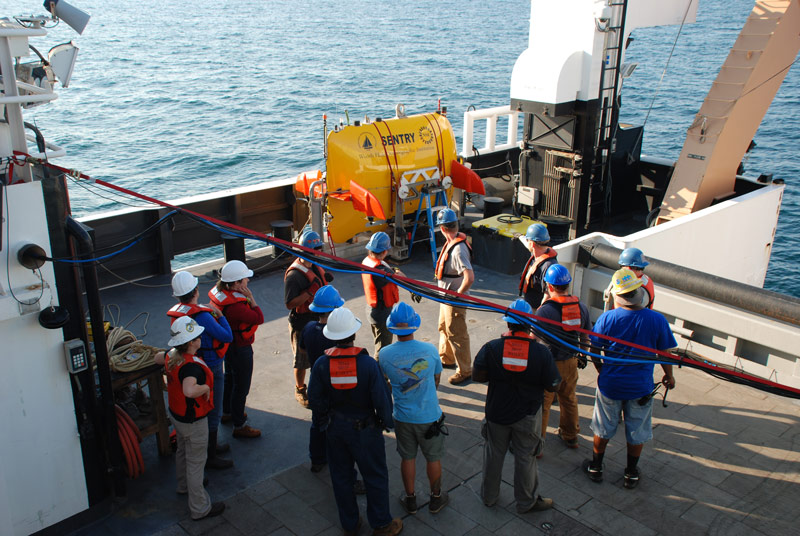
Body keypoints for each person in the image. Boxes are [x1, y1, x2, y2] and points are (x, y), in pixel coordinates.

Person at [308, 307, 402, 536]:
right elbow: (381, 399)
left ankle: (350, 524)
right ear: (353, 334)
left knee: (341, 478)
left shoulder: (321, 364)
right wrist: (386, 422)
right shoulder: (368, 365)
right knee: (375, 476)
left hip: (335, 429)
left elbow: (314, 399)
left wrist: (325, 420)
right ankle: (381, 524)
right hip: (365, 429)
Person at [584, 268, 677, 489]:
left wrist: (602, 371)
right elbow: (665, 353)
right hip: (641, 387)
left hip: (610, 385)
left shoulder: (607, 319)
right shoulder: (657, 320)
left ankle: (596, 467)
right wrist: (669, 376)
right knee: (637, 431)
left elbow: (594, 351)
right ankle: (631, 473)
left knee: (603, 427)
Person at [473, 299, 560, 514]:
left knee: (493, 455)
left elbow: (477, 375)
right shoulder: (542, 353)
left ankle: (489, 497)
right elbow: (552, 385)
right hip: (527, 416)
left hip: (496, 414)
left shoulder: (492, 348)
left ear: (508, 323)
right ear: (529, 323)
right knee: (525, 459)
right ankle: (526, 502)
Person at [379, 302, 449, 515]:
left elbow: (385, 382)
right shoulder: (429, 350)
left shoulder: (384, 354)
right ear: (414, 325)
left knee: (407, 458)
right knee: (433, 458)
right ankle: (436, 498)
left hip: (403, 416)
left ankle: (410, 499)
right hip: (429, 417)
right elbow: (436, 379)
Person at [154, 317, 225, 520]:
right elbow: (189, 390)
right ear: (192, 342)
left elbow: (158, 358)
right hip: (193, 421)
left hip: (177, 416)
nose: (200, 339)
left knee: (183, 452)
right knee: (196, 463)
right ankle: (200, 508)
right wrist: (205, 388)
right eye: (197, 337)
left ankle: (183, 485)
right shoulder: (192, 367)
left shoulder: (172, 355)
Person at [168, 271, 234, 469]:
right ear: (196, 290)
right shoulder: (203, 316)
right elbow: (226, 336)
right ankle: (210, 455)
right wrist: (221, 317)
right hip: (210, 365)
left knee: (201, 407)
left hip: (191, 363)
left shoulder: (179, 313)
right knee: (212, 408)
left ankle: (209, 447)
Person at [535, 264, 591, 451]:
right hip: (571, 362)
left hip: (549, 364)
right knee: (569, 399)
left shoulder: (545, 311)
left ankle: (538, 443)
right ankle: (570, 436)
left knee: (544, 404)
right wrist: (582, 353)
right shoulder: (581, 307)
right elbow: (585, 336)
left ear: (549, 286)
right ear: (568, 284)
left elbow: (533, 339)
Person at [209, 260, 263, 439]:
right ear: (236, 283)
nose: (247, 281)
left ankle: (228, 412)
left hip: (228, 347)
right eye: (244, 279)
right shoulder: (237, 307)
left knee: (229, 378)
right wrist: (252, 299)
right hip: (241, 348)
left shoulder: (220, 295)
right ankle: (239, 425)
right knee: (242, 387)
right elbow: (258, 317)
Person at [285, 230, 333, 407]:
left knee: (321, 354)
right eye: (316, 249)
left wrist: (324, 279)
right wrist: (309, 292)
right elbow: (290, 303)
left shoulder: (314, 265)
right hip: (302, 322)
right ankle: (300, 389)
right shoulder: (295, 276)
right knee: (301, 359)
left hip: (318, 318)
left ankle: (320, 385)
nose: (319, 251)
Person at [300, 285, 345, 473]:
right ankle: (339, 460)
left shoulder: (309, 328)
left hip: (316, 383)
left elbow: (302, 350)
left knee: (317, 421)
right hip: (336, 384)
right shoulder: (337, 334)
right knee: (339, 423)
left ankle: (317, 459)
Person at [434, 208, 474, 385]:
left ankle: (464, 370)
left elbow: (469, 277)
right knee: (444, 327)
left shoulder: (458, 250)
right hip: (446, 298)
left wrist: (458, 295)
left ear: (442, 229)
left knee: (457, 334)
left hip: (453, 300)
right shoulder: (452, 242)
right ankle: (447, 357)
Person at [361, 231, 402, 356]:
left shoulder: (369, 261)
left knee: (380, 343)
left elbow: (389, 270)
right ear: (384, 251)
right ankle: (380, 374)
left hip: (374, 310)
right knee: (383, 349)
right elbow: (399, 277)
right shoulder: (380, 272)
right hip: (381, 313)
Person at [518, 223, 558, 309]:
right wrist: (520, 237)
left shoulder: (548, 266)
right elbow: (527, 243)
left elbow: (548, 294)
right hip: (529, 305)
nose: (526, 241)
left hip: (536, 310)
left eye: (527, 239)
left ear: (532, 244)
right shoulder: (539, 253)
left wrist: (539, 314)